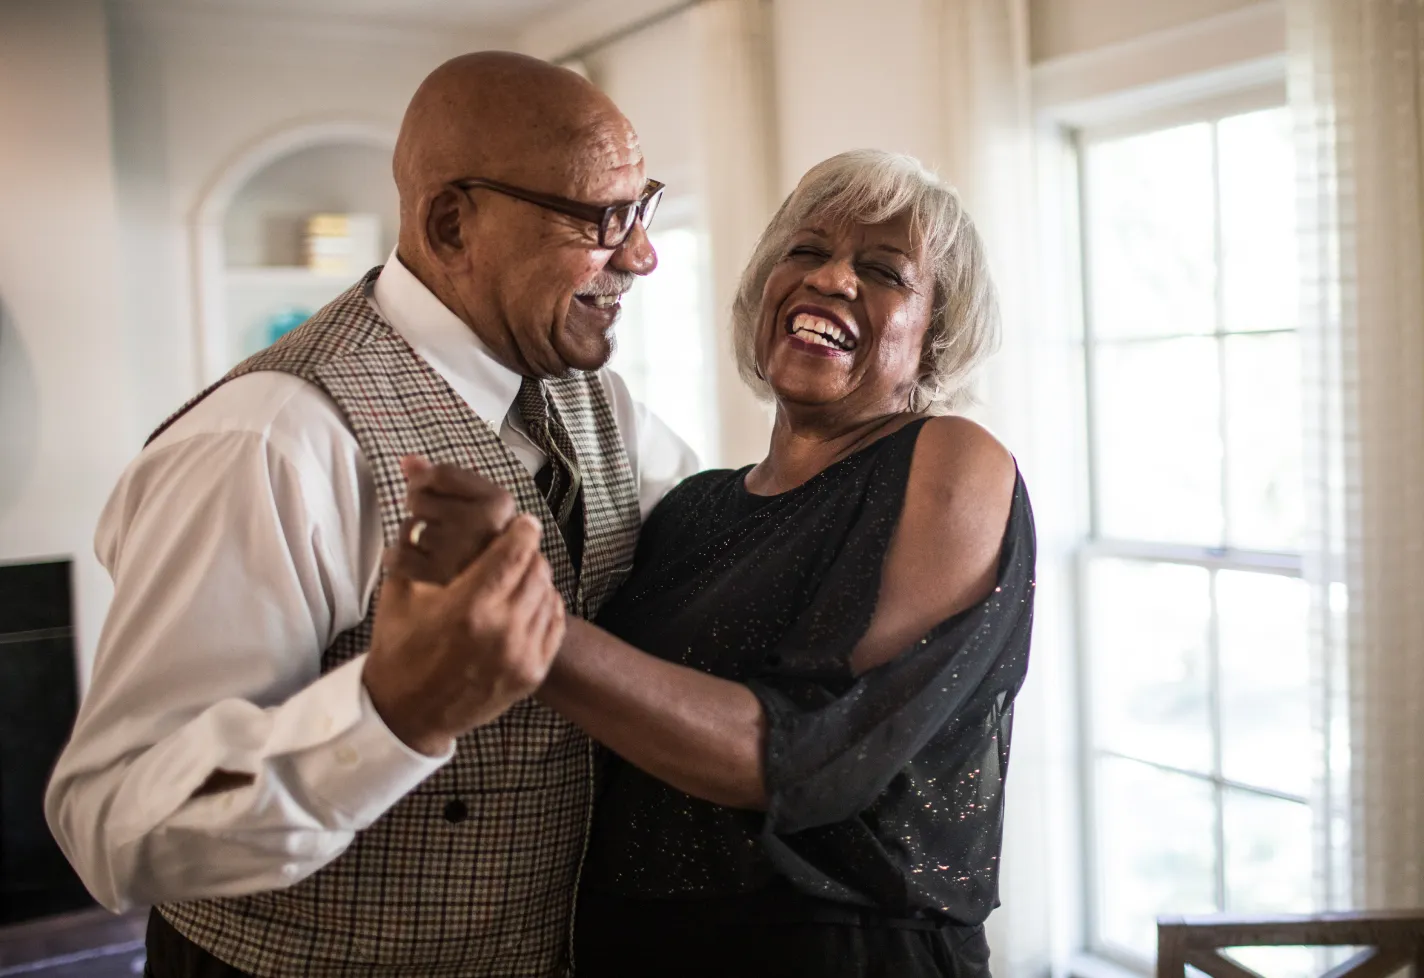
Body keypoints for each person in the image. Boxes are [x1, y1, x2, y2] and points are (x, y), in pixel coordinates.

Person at [44, 52, 697, 977]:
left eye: (643, 207)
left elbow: (725, 548)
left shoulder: (607, 406)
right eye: (601, 218)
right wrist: (389, 715)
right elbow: (112, 823)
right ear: (450, 224)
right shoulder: (271, 441)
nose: (642, 254)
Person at [398, 149, 1035, 978]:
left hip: (839, 953)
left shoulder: (953, 459)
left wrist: (521, 618)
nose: (834, 279)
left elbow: (811, 755)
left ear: (935, 338)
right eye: (806, 251)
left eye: (884, 271)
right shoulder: (694, 507)